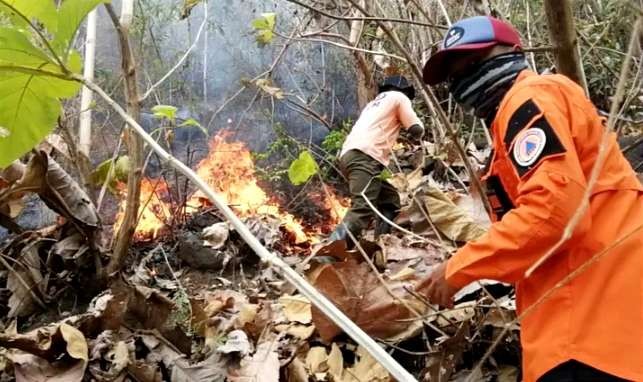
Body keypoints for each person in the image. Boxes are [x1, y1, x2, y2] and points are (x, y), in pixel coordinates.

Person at [419, 16, 643, 382]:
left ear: (511, 52)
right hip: (580, 322)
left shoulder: (529, 97)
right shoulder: (515, 121)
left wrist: (457, 269)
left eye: (472, 61)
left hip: (591, 323)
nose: (462, 75)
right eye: (454, 71)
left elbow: (555, 213)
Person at [330, 75, 424, 243]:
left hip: (349, 156)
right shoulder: (399, 97)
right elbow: (416, 128)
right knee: (363, 208)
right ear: (403, 90)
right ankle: (327, 255)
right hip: (365, 157)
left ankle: (382, 243)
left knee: (389, 200)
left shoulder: (372, 105)